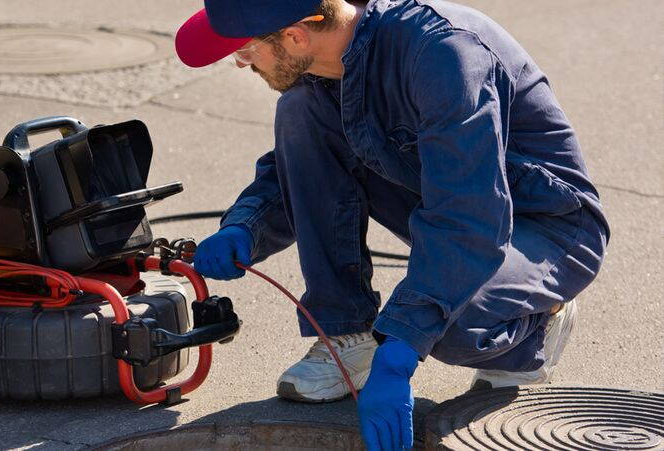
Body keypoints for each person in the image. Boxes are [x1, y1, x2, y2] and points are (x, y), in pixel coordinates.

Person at [174, 0, 610, 449]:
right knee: (301, 110)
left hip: (548, 227)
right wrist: (246, 227)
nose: (239, 62)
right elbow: (306, 161)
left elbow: (468, 217)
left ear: (295, 36)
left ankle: (538, 318)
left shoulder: (444, 55)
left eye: (245, 49)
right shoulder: (336, 56)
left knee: (449, 328)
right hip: (445, 197)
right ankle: (348, 332)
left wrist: (400, 347)